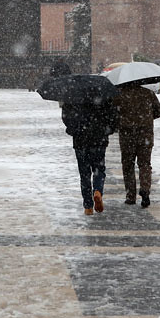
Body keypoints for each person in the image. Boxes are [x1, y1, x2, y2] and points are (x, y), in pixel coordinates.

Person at [52, 59, 120, 216]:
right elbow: (112, 115)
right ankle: (98, 191)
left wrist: (72, 128)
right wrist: (109, 129)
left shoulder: (73, 97)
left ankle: (88, 206)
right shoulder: (103, 96)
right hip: (99, 138)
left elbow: (66, 117)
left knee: (84, 173)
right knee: (99, 169)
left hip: (80, 138)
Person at [114, 83, 160, 208]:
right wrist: (146, 118)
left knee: (128, 165)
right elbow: (159, 111)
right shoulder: (148, 93)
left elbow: (113, 114)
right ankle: (145, 189)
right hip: (145, 134)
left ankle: (131, 195)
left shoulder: (119, 95)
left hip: (127, 135)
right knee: (145, 164)